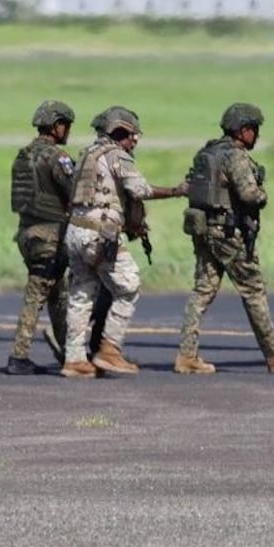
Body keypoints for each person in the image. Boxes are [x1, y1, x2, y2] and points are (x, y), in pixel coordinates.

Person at [174, 103, 274, 375]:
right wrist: (262, 194)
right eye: (254, 130)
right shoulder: (235, 157)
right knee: (253, 290)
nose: (256, 136)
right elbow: (249, 195)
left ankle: (186, 355)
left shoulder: (207, 152)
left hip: (204, 231)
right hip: (229, 234)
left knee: (202, 290)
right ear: (243, 131)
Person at [62, 107, 187, 378]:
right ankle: (110, 349)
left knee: (81, 294)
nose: (135, 141)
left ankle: (74, 358)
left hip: (74, 231)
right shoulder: (116, 155)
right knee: (128, 285)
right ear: (119, 132)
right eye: (131, 135)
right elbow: (140, 190)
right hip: (99, 233)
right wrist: (177, 191)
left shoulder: (86, 154)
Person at [6, 100, 76, 375]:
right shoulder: (57, 157)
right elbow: (74, 192)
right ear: (57, 126)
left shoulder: (22, 156)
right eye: (66, 125)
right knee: (37, 295)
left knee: (58, 295)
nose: (67, 130)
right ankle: (18, 356)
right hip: (49, 236)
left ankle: (70, 352)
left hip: (27, 234)